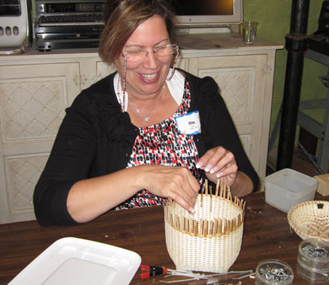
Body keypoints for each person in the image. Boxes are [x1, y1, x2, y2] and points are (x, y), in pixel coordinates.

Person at [33, 0, 259, 227]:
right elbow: (47, 205)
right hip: (119, 242)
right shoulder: (93, 107)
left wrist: (228, 183)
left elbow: (249, 183)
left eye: (161, 47)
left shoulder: (202, 96)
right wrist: (142, 176)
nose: (152, 63)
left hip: (191, 237)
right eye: (135, 51)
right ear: (113, 52)